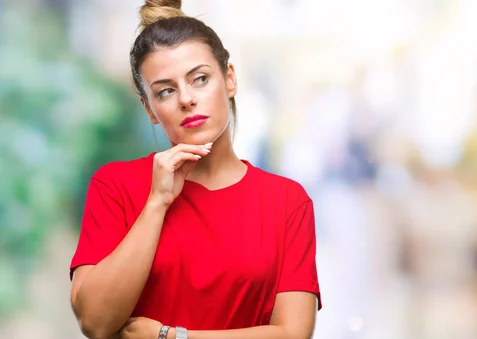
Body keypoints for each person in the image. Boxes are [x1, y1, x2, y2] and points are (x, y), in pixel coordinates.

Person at [68, 1, 322, 338]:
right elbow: (95, 323)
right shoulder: (115, 185)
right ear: (150, 109)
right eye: (166, 91)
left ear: (229, 79)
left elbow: (293, 334)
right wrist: (156, 204)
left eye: (200, 79)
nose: (186, 99)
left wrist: (172, 337)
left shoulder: (287, 200)